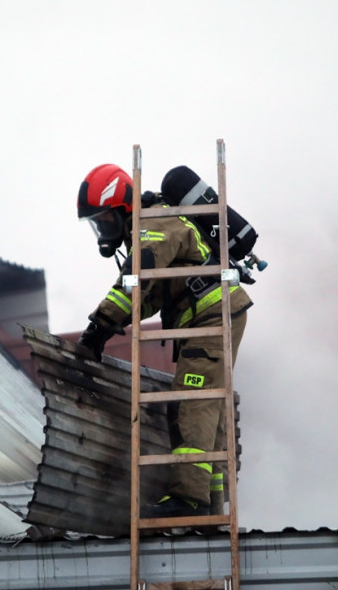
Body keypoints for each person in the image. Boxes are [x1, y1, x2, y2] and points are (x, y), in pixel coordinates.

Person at [76, 163, 252, 518]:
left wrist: (99, 327)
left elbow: (134, 282)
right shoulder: (153, 226)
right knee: (209, 411)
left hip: (211, 318)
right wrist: (113, 324)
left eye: (105, 220)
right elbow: (151, 296)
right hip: (215, 315)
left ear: (123, 208)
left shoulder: (154, 226)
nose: (103, 230)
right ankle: (211, 508)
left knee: (190, 402)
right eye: (97, 224)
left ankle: (189, 499)